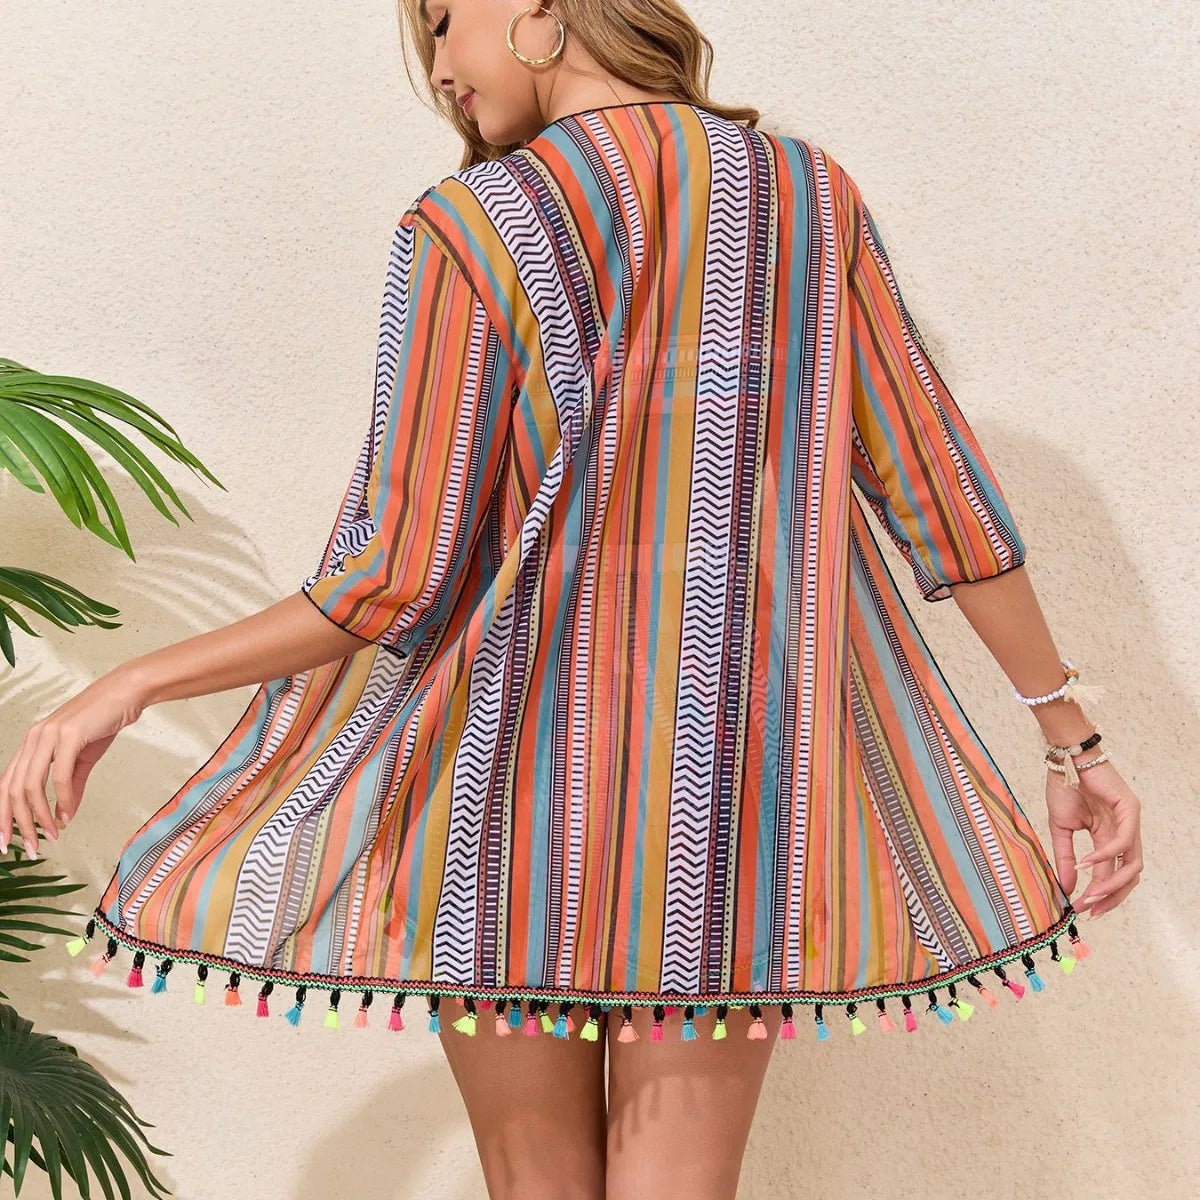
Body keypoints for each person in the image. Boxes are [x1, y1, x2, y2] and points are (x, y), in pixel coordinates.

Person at [0, 1, 1144, 1197]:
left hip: (502, 786)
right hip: (725, 789)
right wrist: (1071, 738)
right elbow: (937, 491)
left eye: (444, 21)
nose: (439, 68)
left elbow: (390, 574)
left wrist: (133, 683)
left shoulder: (472, 223)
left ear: (540, 7)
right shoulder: (808, 196)